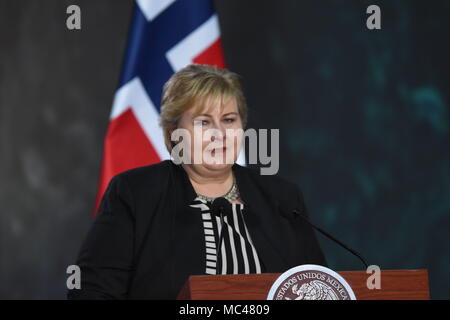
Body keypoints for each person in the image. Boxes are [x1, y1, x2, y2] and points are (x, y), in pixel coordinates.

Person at [67, 64, 326, 300]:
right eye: (203, 122)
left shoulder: (282, 197)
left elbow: (320, 287)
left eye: (229, 120)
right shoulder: (135, 194)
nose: (219, 134)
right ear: (174, 133)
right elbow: (91, 293)